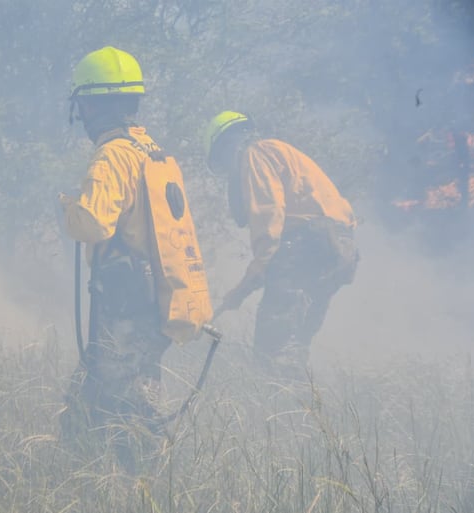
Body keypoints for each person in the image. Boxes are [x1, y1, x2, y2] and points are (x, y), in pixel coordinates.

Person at [58, 47, 212, 470]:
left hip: (125, 306)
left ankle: (141, 488)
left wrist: (68, 206)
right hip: (154, 299)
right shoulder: (150, 150)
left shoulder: (112, 155)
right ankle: (81, 481)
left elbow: (91, 224)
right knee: (94, 399)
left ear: (88, 104)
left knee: (128, 408)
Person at [204, 111, 358, 374]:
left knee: (273, 349)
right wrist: (244, 288)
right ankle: (305, 411)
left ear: (227, 146)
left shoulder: (256, 154)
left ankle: (279, 408)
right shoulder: (281, 152)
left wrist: (251, 277)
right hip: (339, 249)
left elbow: (269, 219)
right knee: (295, 343)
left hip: (306, 244)